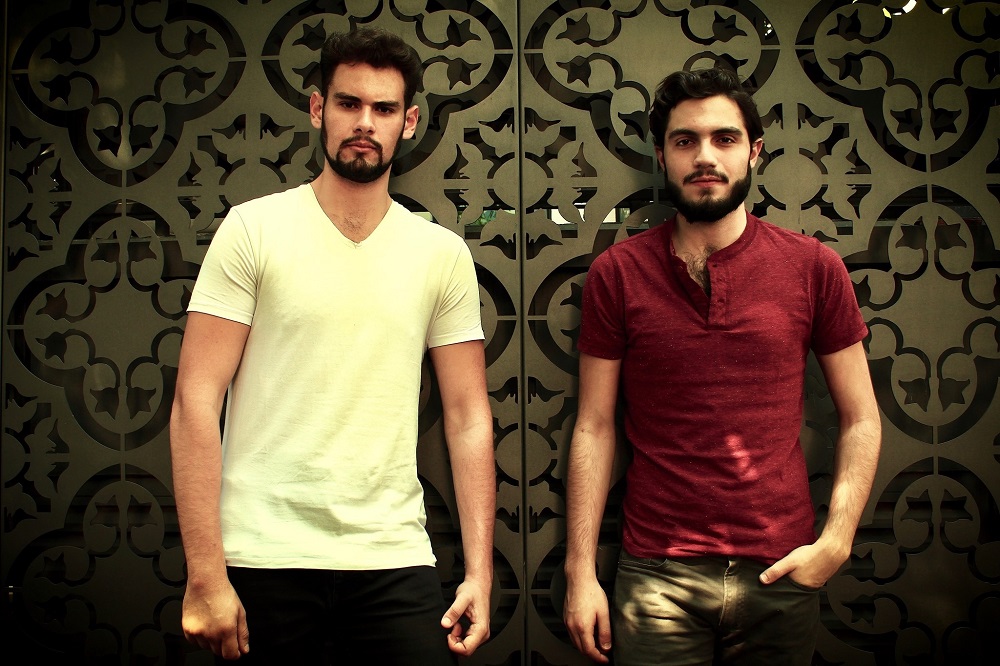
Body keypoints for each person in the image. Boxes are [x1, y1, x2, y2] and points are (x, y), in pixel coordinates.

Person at [170, 27, 495, 664]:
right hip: (263, 557)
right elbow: (194, 401)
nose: (364, 122)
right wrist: (205, 575)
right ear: (319, 109)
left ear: (409, 121)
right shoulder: (253, 230)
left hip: (392, 556)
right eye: (349, 103)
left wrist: (479, 574)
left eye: (383, 108)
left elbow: (468, 416)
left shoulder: (441, 254)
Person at [562, 67, 881, 665]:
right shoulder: (618, 273)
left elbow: (861, 417)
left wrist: (836, 542)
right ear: (662, 155)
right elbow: (595, 426)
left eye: (724, 139)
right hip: (657, 577)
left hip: (781, 570)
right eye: (685, 140)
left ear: (754, 151)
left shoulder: (813, 267)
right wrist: (580, 574)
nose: (705, 156)